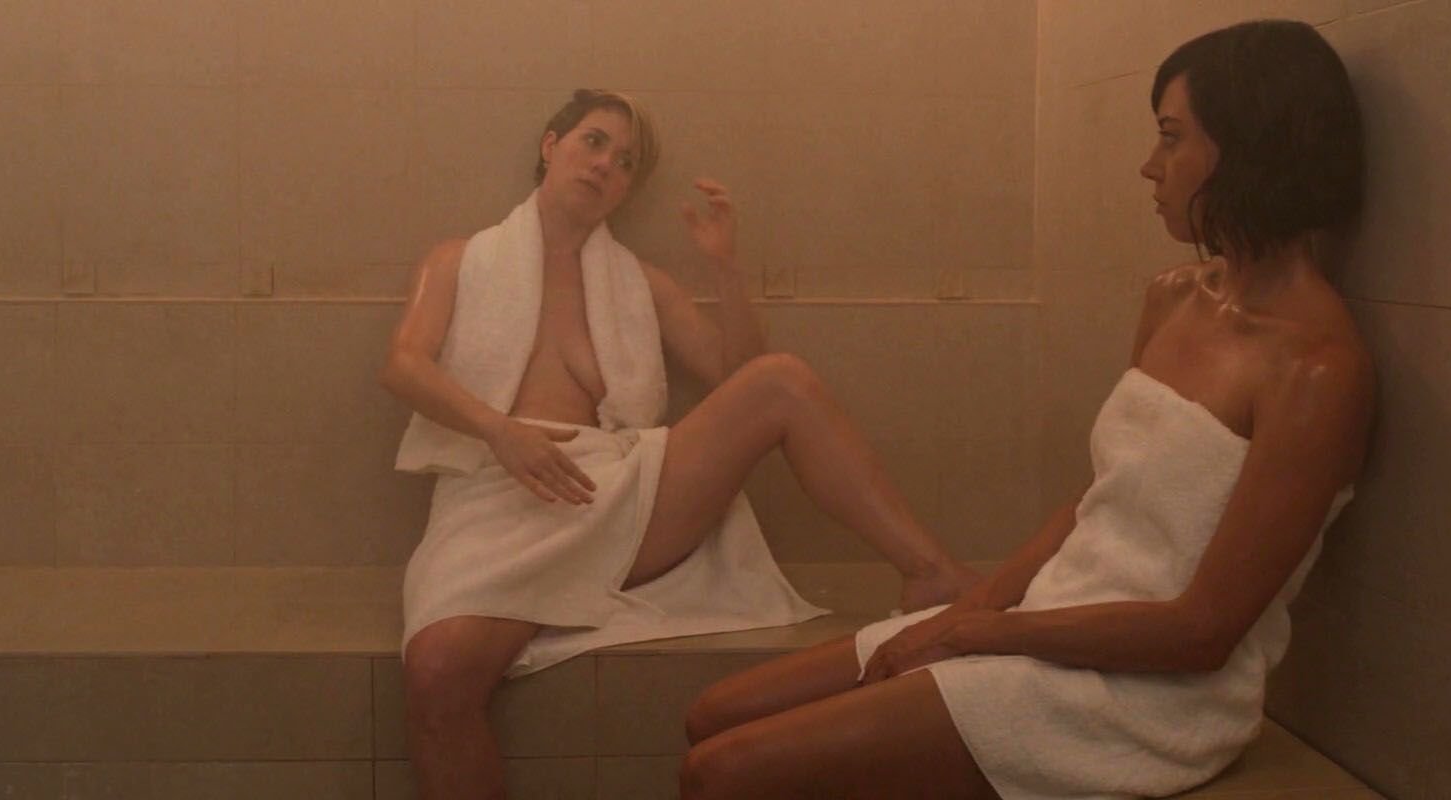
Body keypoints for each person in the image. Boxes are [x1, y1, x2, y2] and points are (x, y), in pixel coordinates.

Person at [679, 20, 1373, 799]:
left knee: (721, 774)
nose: (1150, 166)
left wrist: (982, 633)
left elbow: (1202, 632)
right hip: (1053, 621)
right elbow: (1095, 499)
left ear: (1248, 146)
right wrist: (968, 607)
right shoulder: (1174, 298)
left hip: (1146, 694)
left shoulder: (1316, 369)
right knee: (713, 715)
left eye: (1172, 138)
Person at [378, 89, 979, 799]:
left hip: (613, 490)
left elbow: (741, 378)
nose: (606, 165)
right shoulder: (460, 260)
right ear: (551, 145)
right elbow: (403, 365)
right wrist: (499, 431)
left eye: (626, 162)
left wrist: (724, 267)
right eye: (594, 142)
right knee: (436, 674)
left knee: (782, 381)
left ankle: (932, 572)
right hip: (495, 490)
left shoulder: (640, 283)